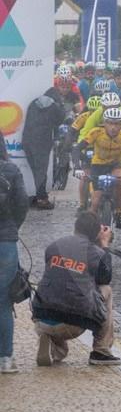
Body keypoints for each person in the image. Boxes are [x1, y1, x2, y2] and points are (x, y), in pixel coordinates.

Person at [31, 212, 120, 366]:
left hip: (40, 317)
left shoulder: (54, 245)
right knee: (106, 289)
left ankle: (50, 341)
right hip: (72, 325)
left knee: (59, 287)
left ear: (76, 227)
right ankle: (101, 351)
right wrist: (104, 245)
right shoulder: (95, 253)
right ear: (96, 234)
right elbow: (104, 278)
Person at [72, 108, 121, 228]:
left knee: (119, 182)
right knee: (95, 202)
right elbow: (77, 149)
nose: (113, 127)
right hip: (98, 165)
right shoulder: (96, 132)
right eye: (110, 123)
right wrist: (77, 167)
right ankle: (90, 227)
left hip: (116, 164)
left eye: (117, 123)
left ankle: (119, 212)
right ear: (104, 123)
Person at [0, 135, 30, 373]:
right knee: (3, 302)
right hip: (6, 243)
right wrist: (12, 228)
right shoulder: (10, 169)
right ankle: (6, 359)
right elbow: (22, 204)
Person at [22, 93, 66, 209]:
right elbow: (61, 119)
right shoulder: (53, 106)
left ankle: (39, 196)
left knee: (36, 171)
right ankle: (42, 200)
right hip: (41, 142)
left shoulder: (34, 103)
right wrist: (61, 105)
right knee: (41, 171)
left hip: (27, 140)